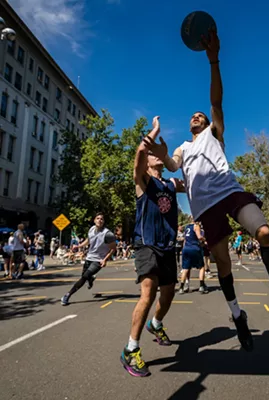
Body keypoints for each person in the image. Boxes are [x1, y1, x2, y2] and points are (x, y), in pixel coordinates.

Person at [145, 30, 269, 351]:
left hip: (229, 193)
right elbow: (174, 167)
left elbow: (216, 100)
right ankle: (238, 316)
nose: (197, 116)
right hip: (206, 210)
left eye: (201, 116)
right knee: (223, 266)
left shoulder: (214, 134)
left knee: (264, 233)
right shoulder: (183, 148)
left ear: (208, 123)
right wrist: (161, 153)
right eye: (194, 116)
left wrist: (213, 59)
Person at [120, 116, 185, 378]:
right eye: (153, 154)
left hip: (168, 247)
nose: (157, 155)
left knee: (168, 295)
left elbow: (195, 183)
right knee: (148, 293)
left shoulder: (170, 184)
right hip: (146, 244)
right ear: (148, 162)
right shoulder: (142, 181)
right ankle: (131, 349)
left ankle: (155, 324)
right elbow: (138, 153)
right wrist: (154, 131)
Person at [61, 213, 116, 306]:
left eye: (101, 219)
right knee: (85, 275)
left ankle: (67, 295)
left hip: (98, 260)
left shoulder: (107, 234)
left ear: (104, 221)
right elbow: (89, 240)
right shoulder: (91, 229)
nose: (99, 220)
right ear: (94, 220)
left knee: (84, 277)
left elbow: (113, 248)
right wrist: (79, 246)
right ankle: (91, 279)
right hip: (89, 257)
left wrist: (105, 259)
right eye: (97, 218)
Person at [179, 219, 209, 294]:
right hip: (194, 248)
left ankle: (182, 287)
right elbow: (199, 237)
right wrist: (205, 239)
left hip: (186, 248)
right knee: (201, 267)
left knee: (186, 268)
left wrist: (183, 249)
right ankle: (202, 286)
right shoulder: (196, 226)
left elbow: (185, 240)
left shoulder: (186, 227)